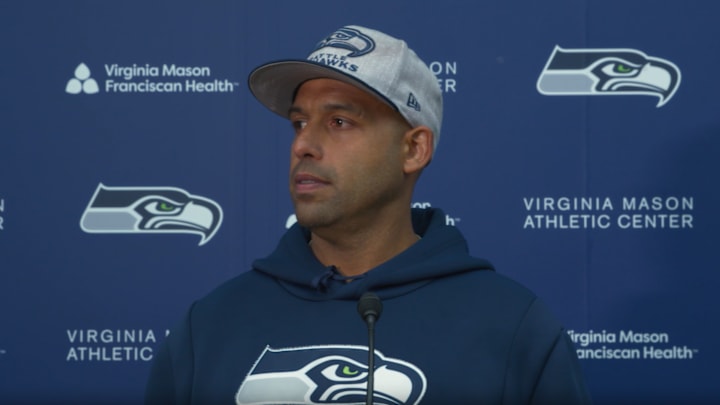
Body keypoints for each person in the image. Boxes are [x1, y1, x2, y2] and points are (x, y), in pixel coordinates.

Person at [144, 25, 591, 404]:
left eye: (339, 122)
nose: (303, 145)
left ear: (413, 149)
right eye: (299, 122)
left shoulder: (513, 329)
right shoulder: (208, 327)